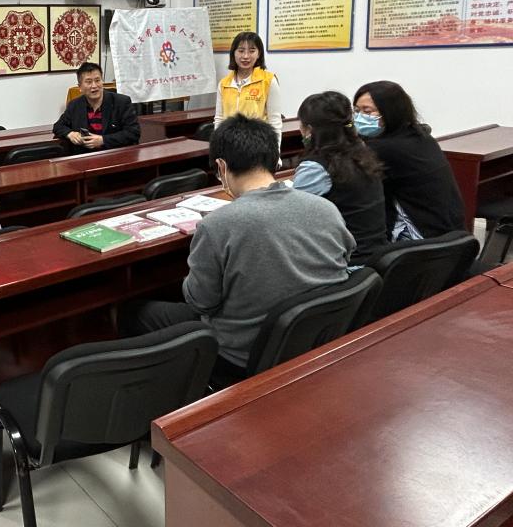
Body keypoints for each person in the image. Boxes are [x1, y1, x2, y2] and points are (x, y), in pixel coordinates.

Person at [120, 114, 354, 379]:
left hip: (240, 357)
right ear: (274, 158)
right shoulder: (326, 208)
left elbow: (201, 302)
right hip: (314, 343)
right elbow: (345, 257)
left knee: (133, 312)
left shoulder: (218, 224)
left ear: (221, 166)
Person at [352, 81, 465, 240]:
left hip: (421, 238)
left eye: (367, 111)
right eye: (356, 111)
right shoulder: (421, 136)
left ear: (390, 112)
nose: (359, 117)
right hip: (451, 234)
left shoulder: (384, 149)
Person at [293, 91, 388, 266]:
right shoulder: (363, 153)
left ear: (310, 130)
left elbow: (292, 218)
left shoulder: (315, 167)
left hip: (346, 263)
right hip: (375, 256)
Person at [53, 61, 140, 152]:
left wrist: (103, 140)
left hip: (114, 154)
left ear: (102, 82)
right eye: (89, 82)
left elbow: (133, 133)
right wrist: (70, 134)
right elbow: (58, 126)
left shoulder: (121, 102)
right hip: (84, 156)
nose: (94, 86)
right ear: (80, 87)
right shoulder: (75, 105)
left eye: (97, 80)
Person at [214, 31, 283, 145]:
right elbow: (219, 119)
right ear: (233, 53)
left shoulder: (268, 81)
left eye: (252, 51)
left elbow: (275, 121)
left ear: (259, 54)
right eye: (241, 51)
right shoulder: (224, 83)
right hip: (229, 145)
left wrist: (275, 151)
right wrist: (217, 146)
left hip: (258, 145)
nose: (246, 56)